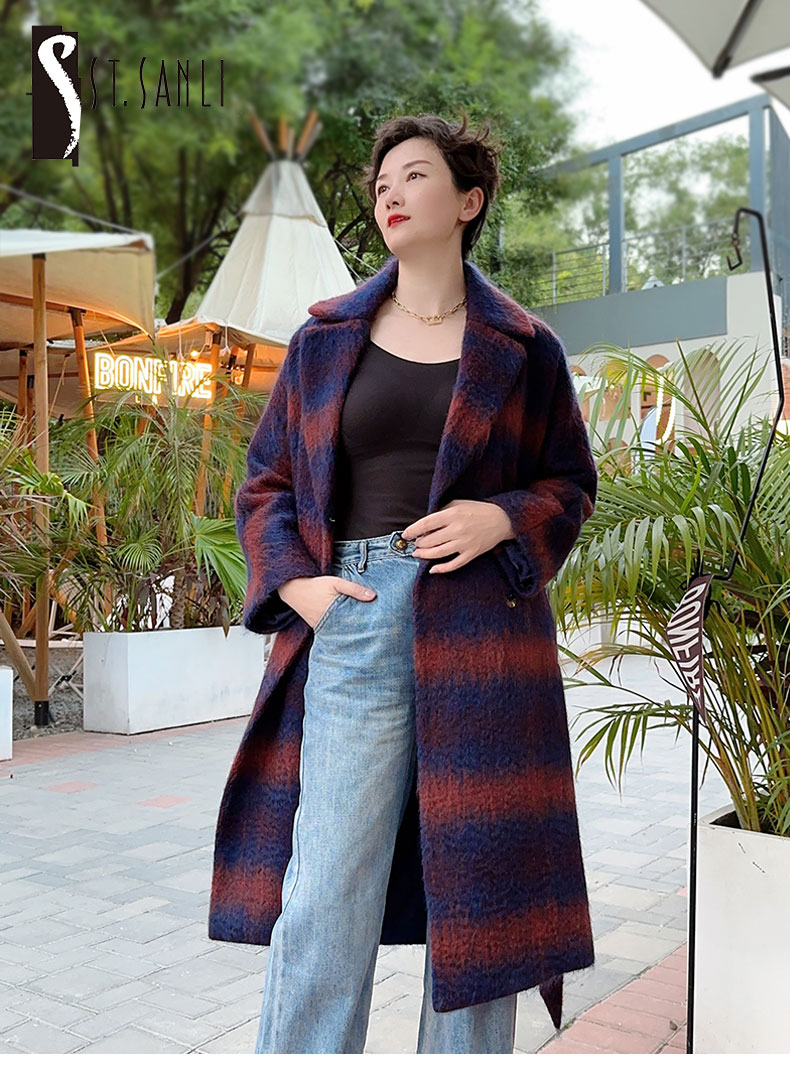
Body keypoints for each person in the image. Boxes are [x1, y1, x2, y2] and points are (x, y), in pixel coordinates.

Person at [229, 112, 597, 1055]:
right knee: (326, 887)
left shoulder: (526, 349)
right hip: (353, 615)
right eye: (383, 180)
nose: (390, 191)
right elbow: (266, 483)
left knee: (480, 895)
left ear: (469, 201)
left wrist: (501, 517)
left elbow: (571, 482)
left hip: (483, 631)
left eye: (416, 174)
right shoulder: (326, 339)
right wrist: (301, 590)